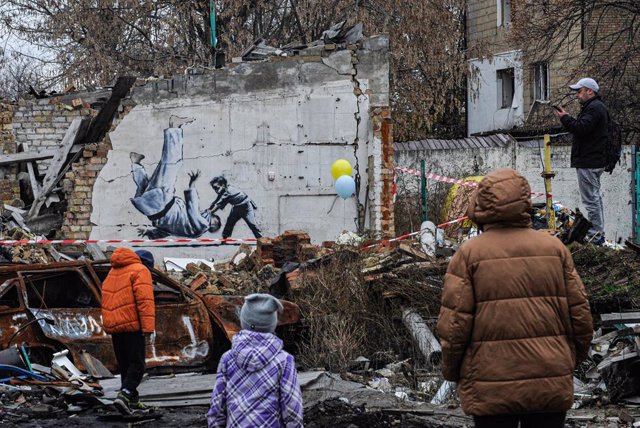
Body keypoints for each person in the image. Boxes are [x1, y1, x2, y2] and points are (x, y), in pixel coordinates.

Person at [436, 168, 593, 428]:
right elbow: (581, 317)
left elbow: (454, 327)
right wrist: (567, 361)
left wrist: (453, 371)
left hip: (490, 384)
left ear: (482, 204)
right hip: (549, 380)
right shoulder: (555, 249)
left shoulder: (469, 254)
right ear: (525, 202)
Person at [206, 293, 303, 428]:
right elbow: (292, 407)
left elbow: (217, 405)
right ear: (272, 324)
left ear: (244, 321)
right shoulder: (284, 360)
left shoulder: (228, 358)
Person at [130, 127, 216, 238]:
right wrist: (149, 233)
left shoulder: (203, 226)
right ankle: (136, 163)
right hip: (147, 209)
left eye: (212, 216)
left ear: (213, 224)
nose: (207, 212)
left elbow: (192, 210)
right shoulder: (187, 231)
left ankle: (174, 129)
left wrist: (192, 184)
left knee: (172, 163)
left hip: (163, 203)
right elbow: (165, 232)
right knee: (146, 188)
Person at [554, 77, 609, 245]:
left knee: (591, 199)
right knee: (594, 198)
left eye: (579, 91)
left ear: (589, 91)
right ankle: (597, 233)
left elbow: (581, 129)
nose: (577, 95)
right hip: (593, 159)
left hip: (589, 161)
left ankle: (595, 235)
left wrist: (565, 118)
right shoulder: (595, 108)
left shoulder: (594, 108)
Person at [101, 248, 156, 414]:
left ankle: (132, 401)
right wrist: (147, 328)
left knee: (125, 365)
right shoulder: (140, 270)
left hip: (116, 327)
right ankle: (124, 395)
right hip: (132, 325)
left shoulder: (114, 270)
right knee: (138, 365)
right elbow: (144, 301)